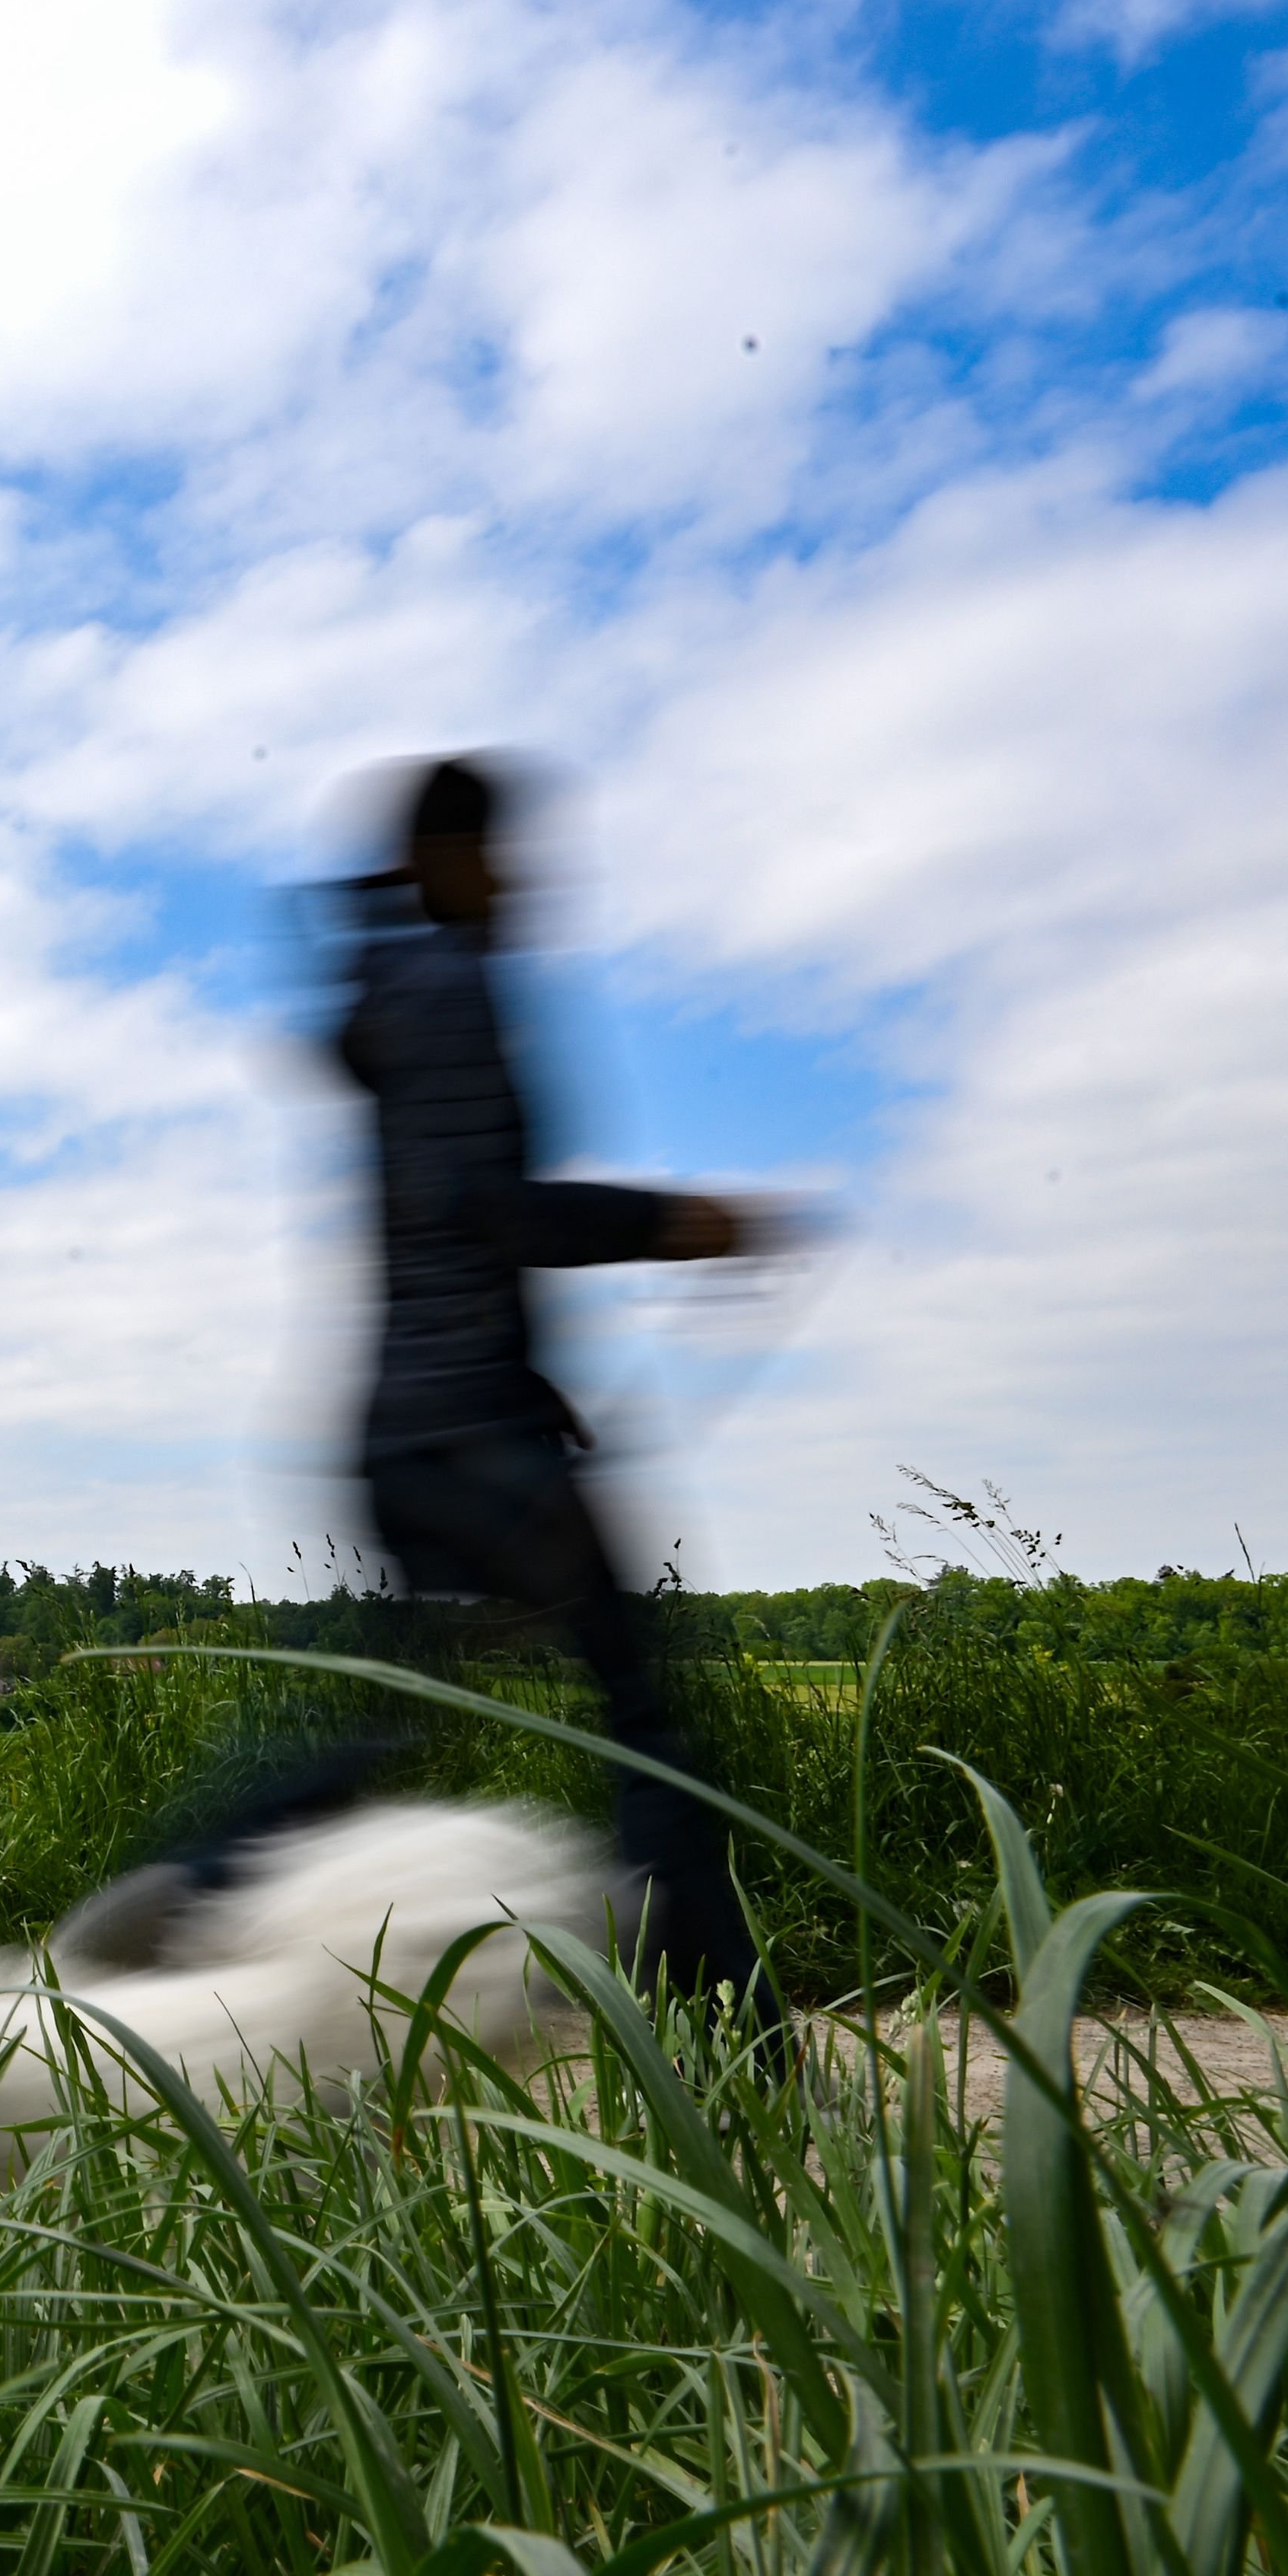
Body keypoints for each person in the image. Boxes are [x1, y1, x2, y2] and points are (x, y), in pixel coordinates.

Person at [329, 754, 775, 2014]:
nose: (519, 878)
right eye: (497, 851)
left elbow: (434, 1223)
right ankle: (742, 2047)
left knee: (386, 1724)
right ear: (447, 861)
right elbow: (491, 1209)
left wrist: (534, 1376)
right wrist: (675, 1217)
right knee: (646, 1718)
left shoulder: (397, 993)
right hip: (471, 1431)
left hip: (416, 1424)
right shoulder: (452, 990)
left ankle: (191, 1893)